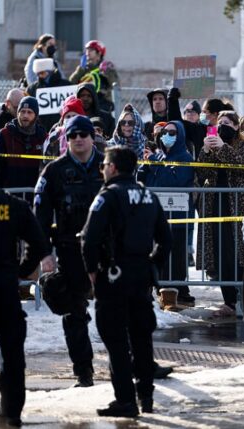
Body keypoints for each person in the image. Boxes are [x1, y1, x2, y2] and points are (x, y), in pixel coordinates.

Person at [81, 146, 173, 417]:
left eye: (104, 165)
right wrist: (152, 264)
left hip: (114, 274)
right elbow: (166, 239)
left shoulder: (108, 197)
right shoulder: (148, 195)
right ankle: (146, 396)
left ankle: (125, 400)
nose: (102, 169)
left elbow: (89, 238)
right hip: (140, 273)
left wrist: (93, 273)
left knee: (116, 339)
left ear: (113, 167)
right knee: (142, 337)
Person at [34, 115, 102, 388]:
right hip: (70, 249)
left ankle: (132, 364)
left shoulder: (109, 165)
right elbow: (40, 214)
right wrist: (44, 253)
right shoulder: (54, 171)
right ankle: (83, 372)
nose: (78, 140)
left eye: (83, 134)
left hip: (106, 251)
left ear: (91, 136)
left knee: (119, 311)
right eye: (73, 136)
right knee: (73, 313)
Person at [0, 186, 50, 428]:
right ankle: (12, 409)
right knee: (12, 350)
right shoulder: (14, 205)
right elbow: (39, 244)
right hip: (4, 283)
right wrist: (19, 272)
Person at [196, 110, 244, 316]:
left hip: (237, 206)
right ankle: (229, 301)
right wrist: (205, 151)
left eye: (228, 123)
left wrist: (224, 148)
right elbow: (202, 173)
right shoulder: (211, 147)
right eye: (220, 122)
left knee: (239, 253)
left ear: (236, 126)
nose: (223, 126)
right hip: (216, 205)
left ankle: (243, 298)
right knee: (220, 254)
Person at [140, 121, 195, 306]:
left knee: (175, 254)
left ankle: (176, 292)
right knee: (156, 252)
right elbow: (145, 179)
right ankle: (157, 289)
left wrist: (154, 162)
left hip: (177, 215)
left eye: (172, 132)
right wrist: (146, 164)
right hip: (156, 215)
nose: (167, 135)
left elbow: (172, 181)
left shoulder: (185, 157)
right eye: (164, 132)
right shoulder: (160, 156)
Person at [0, 96, 47, 188]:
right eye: (22, 111)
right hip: (8, 196)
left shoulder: (44, 137)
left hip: (34, 197)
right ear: (18, 113)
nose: (25, 116)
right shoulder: (4, 135)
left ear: (36, 115)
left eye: (29, 112)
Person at [69, 40, 120, 112]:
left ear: (99, 53)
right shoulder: (84, 68)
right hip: (86, 102)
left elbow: (115, 84)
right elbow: (71, 82)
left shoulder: (107, 67)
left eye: (91, 50)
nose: (87, 53)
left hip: (103, 103)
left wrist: (108, 73)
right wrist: (81, 69)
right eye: (87, 50)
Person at [27, 58, 72, 132]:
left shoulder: (65, 85)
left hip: (62, 127)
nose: (39, 76)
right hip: (41, 128)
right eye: (38, 74)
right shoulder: (33, 88)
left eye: (42, 73)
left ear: (50, 72)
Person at [41, 96, 86, 165]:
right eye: (68, 116)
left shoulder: (91, 135)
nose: (71, 119)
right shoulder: (54, 137)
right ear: (63, 119)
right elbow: (46, 163)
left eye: (74, 116)